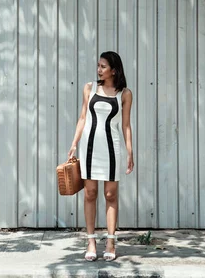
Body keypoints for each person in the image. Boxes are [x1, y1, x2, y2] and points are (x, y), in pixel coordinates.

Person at [67, 51, 134, 262]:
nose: (99, 69)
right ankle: (90, 240)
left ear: (114, 70)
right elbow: (82, 118)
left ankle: (111, 241)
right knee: (90, 193)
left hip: (111, 149)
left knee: (110, 195)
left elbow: (125, 125)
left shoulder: (125, 94)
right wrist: (74, 143)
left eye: (103, 66)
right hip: (89, 148)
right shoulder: (89, 88)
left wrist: (130, 151)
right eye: (98, 65)